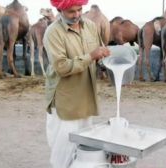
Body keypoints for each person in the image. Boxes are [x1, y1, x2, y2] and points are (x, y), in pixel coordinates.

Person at [43, 0, 110, 167]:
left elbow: (98, 54)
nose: (77, 15)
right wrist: (91, 56)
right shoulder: (53, 33)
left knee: (84, 147)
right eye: (72, 12)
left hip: (86, 95)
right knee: (63, 148)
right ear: (59, 9)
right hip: (66, 98)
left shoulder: (90, 26)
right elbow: (61, 67)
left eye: (80, 9)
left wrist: (106, 60)